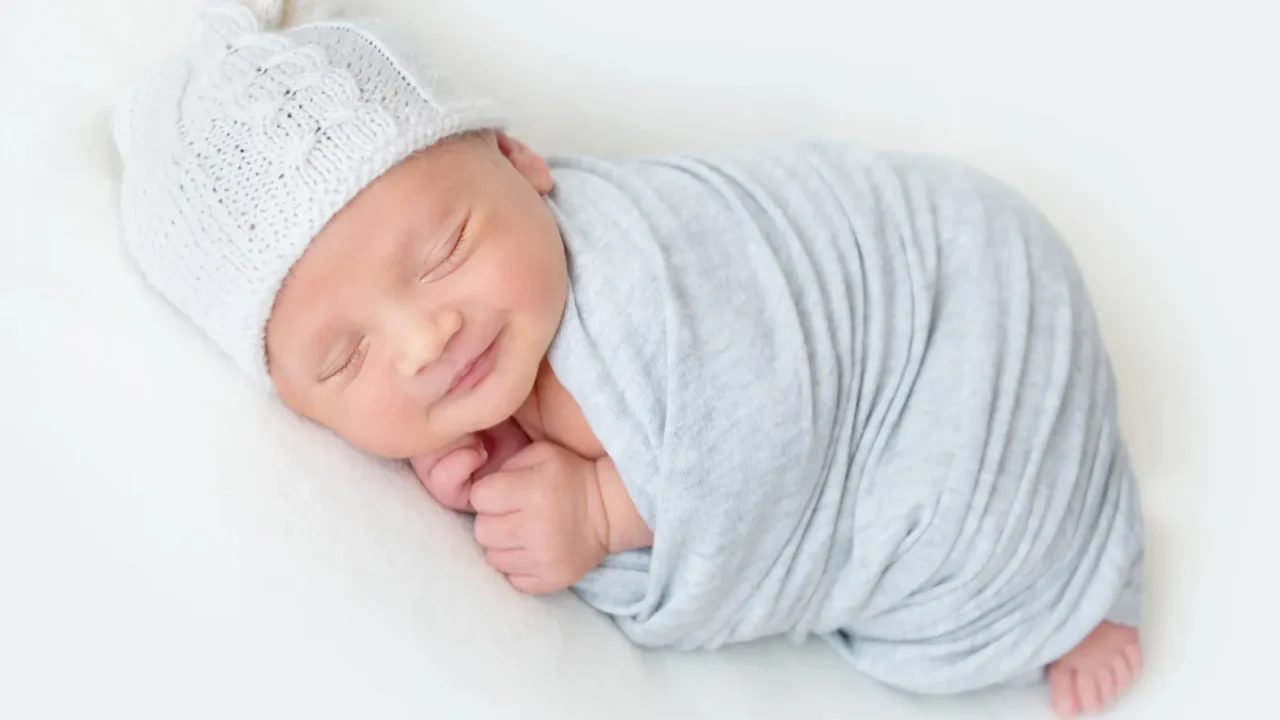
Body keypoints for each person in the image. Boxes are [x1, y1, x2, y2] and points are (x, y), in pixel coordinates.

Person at [112, 2, 1145, 716]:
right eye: (344, 361)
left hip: (955, 292)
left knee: (980, 533)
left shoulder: (641, 279)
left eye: (445, 249)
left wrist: (602, 511)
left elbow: (761, 425)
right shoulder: (480, 383)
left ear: (520, 161)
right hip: (935, 279)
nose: (427, 340)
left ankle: (1069, 600)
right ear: (292, 404)